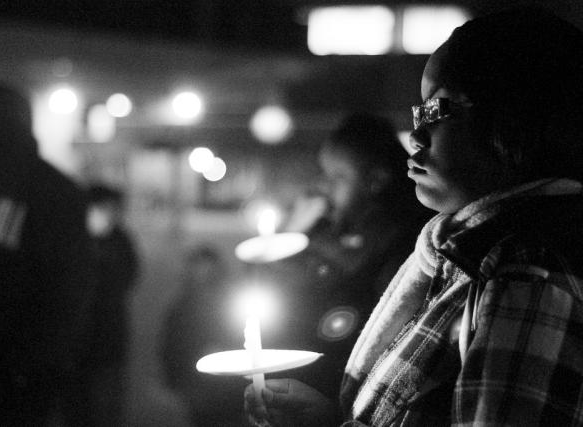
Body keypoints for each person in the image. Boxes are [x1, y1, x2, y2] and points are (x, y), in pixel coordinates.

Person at [245, 7, 583, 426]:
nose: (417, 135)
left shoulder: (528, 273)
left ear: (513, 120)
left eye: (436, 109)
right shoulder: (462, 256)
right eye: (417, 112)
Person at [0, 82, 96, 426]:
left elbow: (71, 284)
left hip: (27, 376)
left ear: (6, 126)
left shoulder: (51, 192)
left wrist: (36, 364)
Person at [258, 113, 428, 401]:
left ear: (376, 180)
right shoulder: (333, 231)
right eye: (324, 175)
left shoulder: (407, 242)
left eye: (338, 177)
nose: (325, 188)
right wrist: (292, 235)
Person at [161, 244, 246, 427]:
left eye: (207, 267)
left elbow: (242, 338)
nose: (202, 272)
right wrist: (174, 382)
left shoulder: (229, 303)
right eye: (198, 266)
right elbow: (170, 346)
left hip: (229, 387)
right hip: (196, 386)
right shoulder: (180, 307)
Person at [84, 183, 139, 426]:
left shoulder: (120, 239)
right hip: (80, 340)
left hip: (110, 336)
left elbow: (128, 277)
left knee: (109, 403)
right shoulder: (74, 238)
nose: (112, 213)